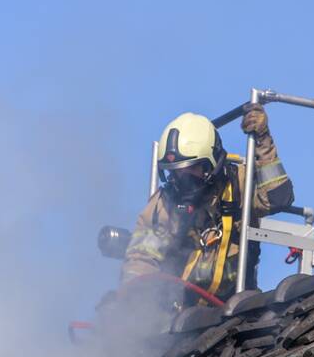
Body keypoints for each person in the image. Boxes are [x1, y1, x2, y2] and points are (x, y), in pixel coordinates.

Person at [120, 106, 294, 303]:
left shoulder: (238, 183)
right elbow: (141, 257)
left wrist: (262, 139)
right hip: (177, 313)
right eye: (176, 171)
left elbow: (278, 197)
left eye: (191, 168)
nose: (183, 179)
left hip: (234, 309)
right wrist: (131, 303)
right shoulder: (164, 203)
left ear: (212, 163)